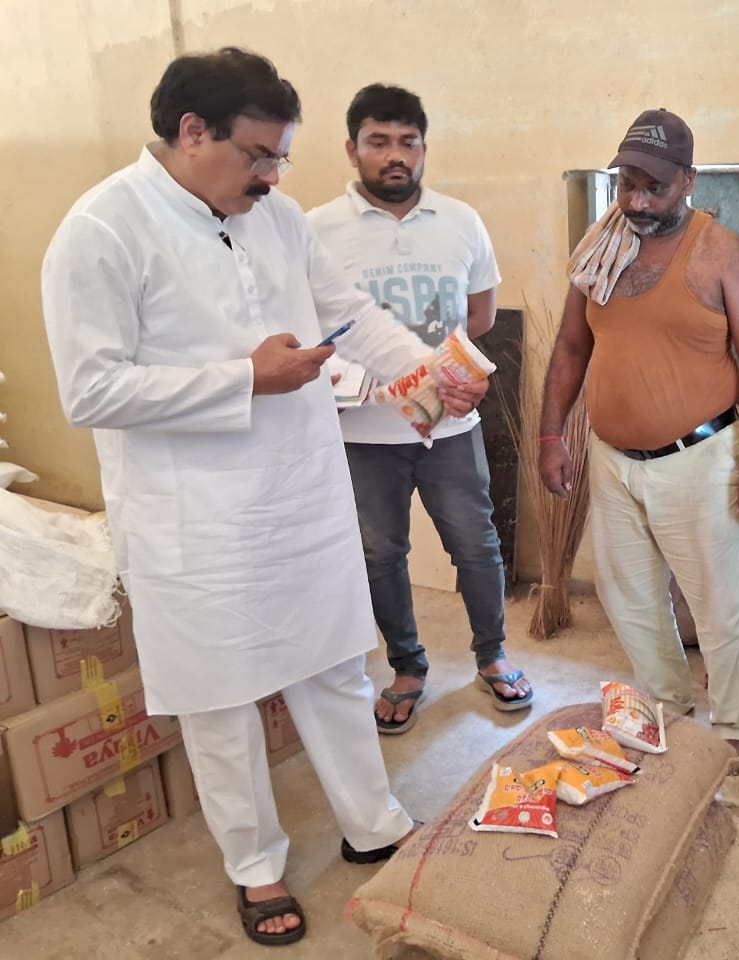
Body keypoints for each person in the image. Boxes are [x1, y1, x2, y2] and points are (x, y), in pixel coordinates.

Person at [40, 49, 466, 947]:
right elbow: (91, 390)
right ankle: (256, 865)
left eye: (281, 157)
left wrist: (427, 371)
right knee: (221, 700)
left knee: (335, 666)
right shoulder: (102, 229)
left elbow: (351, 314)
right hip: (194, 516)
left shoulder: (275, 218)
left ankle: (372, 822)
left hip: (299, 493)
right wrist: (245, 378)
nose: (272, 176)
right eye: (258, 155)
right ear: (193, 132)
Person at [538, 108, 739, 773]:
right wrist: (551, 434)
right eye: (627, 186)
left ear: (689, 181)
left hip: (700, 459)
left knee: (720, 605)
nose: (638, 202)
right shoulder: (601, 248)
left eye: (656, 188)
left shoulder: (722, 254)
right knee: (630, 600)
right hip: (613, 461)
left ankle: (734, 728)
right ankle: (666, 710)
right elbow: (571, 346)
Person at [307, 84, 531, 733]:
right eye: (378, 142)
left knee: (477, 545)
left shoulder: (462, 221)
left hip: (451, 424)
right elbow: (308, 323)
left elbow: (480, 316)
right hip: (363, 433)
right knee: (380, 555)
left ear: (424, 148)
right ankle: (407, 667)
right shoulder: (317, 229)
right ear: (352, 149)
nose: (395, 155)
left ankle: (492, 656)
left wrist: (442, 373)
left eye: (408, 142)